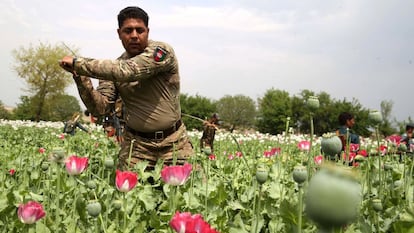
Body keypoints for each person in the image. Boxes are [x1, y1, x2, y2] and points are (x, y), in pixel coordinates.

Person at [59, 6, 193, 170]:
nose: (134, 35)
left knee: (188, 190)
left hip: (174, 143)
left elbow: (129, 71)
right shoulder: (112, 69)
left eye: (140, 30)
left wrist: (79, 63)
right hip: (136, 147)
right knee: (128, 194)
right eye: (128, 31)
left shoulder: (161, 52)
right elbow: (100, 108)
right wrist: (81, 78)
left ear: (148, 31)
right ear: (119, 33)